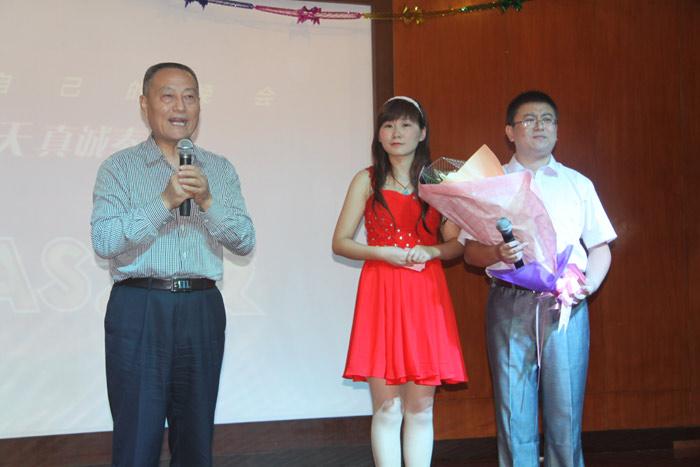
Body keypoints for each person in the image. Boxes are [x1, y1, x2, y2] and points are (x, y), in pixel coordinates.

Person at [90, 62, 255, 466]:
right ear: (144, 104)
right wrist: (164, 201)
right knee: (137, 436)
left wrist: (208, 201)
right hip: (140, 307)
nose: (180, 106)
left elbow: (244, 240)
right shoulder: (119, 168)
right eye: (167, 96)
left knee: (196, 438)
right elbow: (105, 241)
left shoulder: (219, 169)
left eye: (189, 96)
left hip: (202, 307)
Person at [462, 90, 616, 467]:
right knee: (513, 408)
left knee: (566, 407)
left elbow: (600, 246)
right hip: (509, 301)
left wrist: (588, 285)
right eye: (529, 120)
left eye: (547, 119)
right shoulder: (491, 183)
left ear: (557, 130)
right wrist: (497, 253)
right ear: (510, 132)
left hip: (566, 304)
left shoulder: (578, 183)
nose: (540, 126)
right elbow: (470, 252)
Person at [332, 96, 468, 467]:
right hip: (381, 291)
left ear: (422, 133)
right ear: (379, 134)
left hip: (425, 293)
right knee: (388, 407)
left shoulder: (438, 182)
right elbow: (340, 242)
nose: (396, 132)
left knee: (421, 407)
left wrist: (431, 251)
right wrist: (383, 253)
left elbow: (456, 245)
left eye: (406, 124)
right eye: (389, 125)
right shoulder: (367, 179)